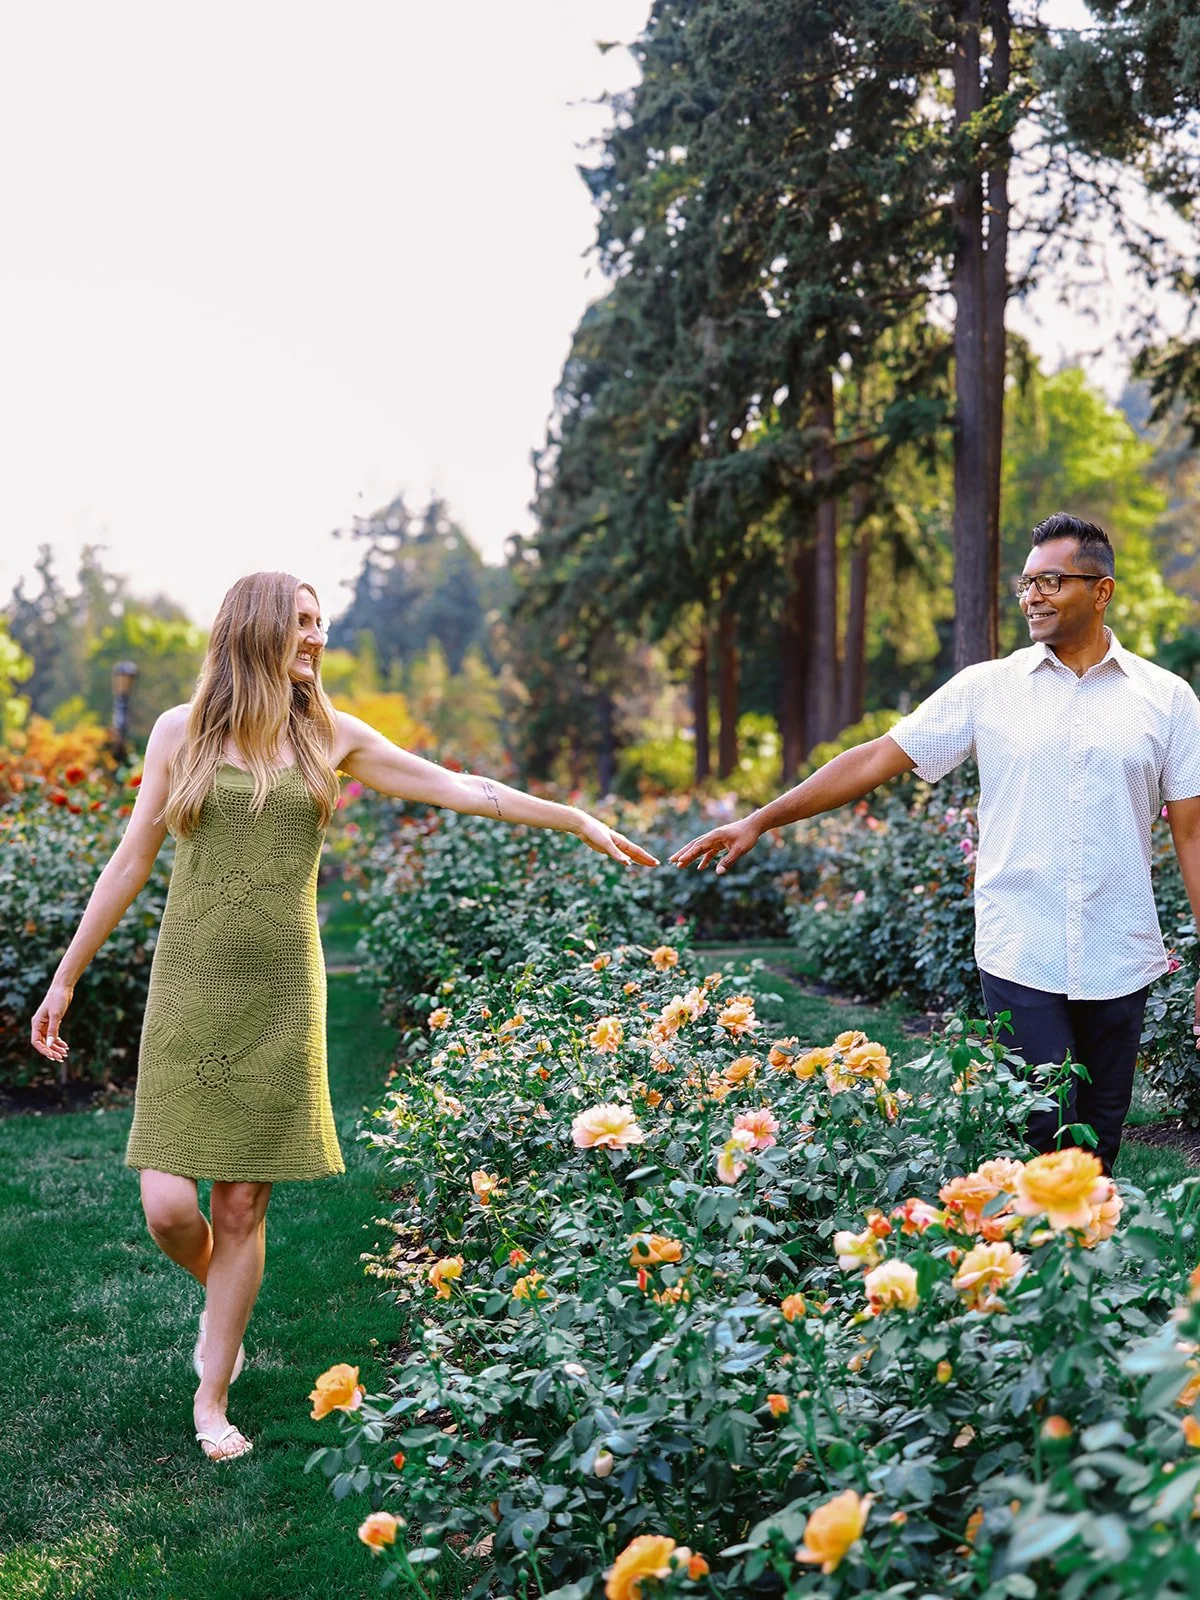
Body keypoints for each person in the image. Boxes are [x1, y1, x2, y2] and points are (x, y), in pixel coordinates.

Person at [29, 571, 657, 1463]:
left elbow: (461, 786)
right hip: (190, 985)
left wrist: (574, 819)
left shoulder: (330, 735)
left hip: (284, 990)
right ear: (254, 628)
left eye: (320, 623)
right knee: (169, 1208)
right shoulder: (180, 730)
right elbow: (130, 860)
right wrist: (65, 979)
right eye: (301, 623)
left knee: (240, 1204)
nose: (317, 638)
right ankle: (225, 1308)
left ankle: (213, 1392)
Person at [672, 513, 1200, 1175]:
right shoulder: (989, 689)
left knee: (1100, 1141)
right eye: (1026, 583)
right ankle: (1032, 1230)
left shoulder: (1167, 700)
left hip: (1118, 952)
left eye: (1050, 581)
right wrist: (760, 819)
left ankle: (1073, 1241)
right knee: (1046, 1130)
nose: (1032, 597)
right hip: (1022, 947)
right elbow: (874, 758)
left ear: (1102, 592)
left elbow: (1191, 832)